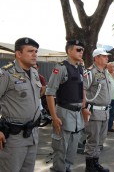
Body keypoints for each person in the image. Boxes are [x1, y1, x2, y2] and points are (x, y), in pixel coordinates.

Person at [45, 39, 87, 172]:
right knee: (61, 148)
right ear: (69, 51)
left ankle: (67, 168)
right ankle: (59, 169)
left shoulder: (80, 67)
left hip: (77, 114)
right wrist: (54, 117)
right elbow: (49, 93)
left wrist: (84, 107)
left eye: (82, 50)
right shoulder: (61, 67)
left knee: (73, 148)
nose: (81, 52)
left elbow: (82, 88)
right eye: (78, 49)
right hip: (63, 113)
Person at [0, 37, 41, 172]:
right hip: (14, 137)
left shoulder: (34, 72)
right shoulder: (6, 73)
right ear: (18, 53)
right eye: (30, 51)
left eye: (36, 51)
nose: (35, 54)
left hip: (32, 134)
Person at [84, 48, 111, 172]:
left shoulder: (104, 72)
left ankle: (96, 163)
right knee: (93, 139)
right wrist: (84, 108)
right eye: (104, 56)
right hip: (94, 111)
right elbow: (82, 89)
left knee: (101, 139)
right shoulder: (90, 72)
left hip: (105, 111)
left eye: (107, 56)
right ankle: (89, 166)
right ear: (96, 58)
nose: (107, 58)